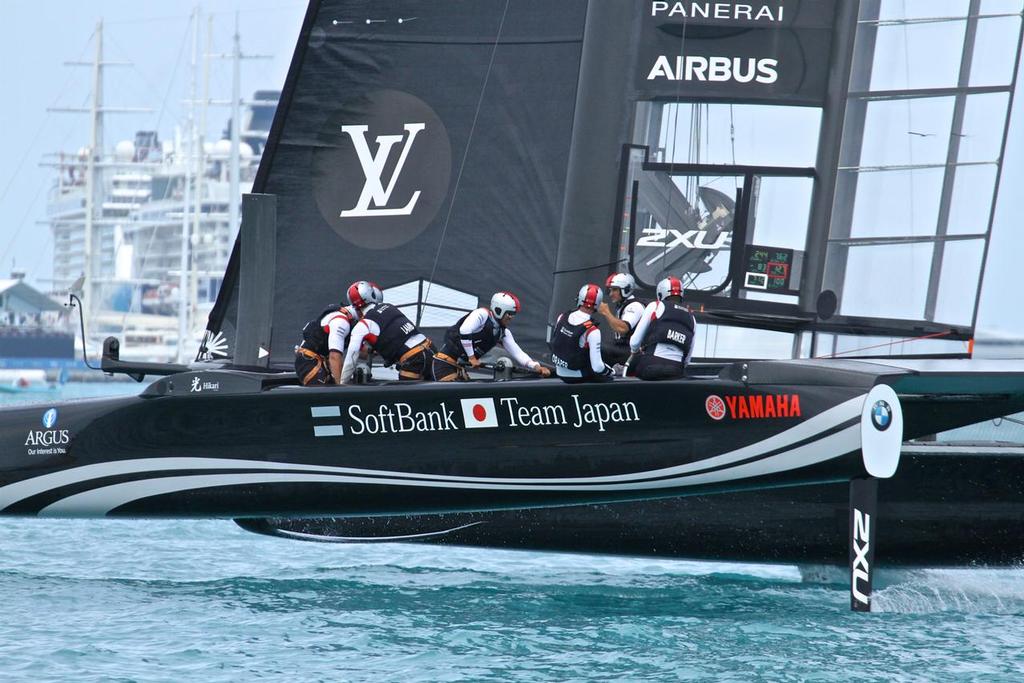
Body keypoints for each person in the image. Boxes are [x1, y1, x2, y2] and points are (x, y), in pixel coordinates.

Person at [432, 291, 552, 381]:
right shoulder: (482, 315)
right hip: (443, 364)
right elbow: (465, 330)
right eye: (509, 313)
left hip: (459, 368)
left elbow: (518, 353)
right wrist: (472, 358)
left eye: (513, 314)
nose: (511, 317)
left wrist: (536, 367)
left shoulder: (503, 333)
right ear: (499, 309)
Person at [339, 280, 434, 383]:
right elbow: (396, 336)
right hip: (430, 349)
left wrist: (341, 386)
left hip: (413, 359)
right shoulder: (390, 307)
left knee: (409, 398)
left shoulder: (362, 326)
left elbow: (351, 361)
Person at [628, 275, 695, 381]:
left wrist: (635, 352)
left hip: (650, 365)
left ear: (660, 294)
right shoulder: (692, 317)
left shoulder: (656, 305)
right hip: (676, 371)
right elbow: (687, 359)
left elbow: (634, 342)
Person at [550, 283, 614, 384]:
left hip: (559, 371)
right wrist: (610, 371)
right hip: (577, 376)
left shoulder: (562, 317)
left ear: (579, 298)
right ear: (598, 304)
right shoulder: (593, 331)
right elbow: (597, 367)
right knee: (607, 374)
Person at [294, 302, 356, 385]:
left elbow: (362, 351)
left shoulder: (350, 320)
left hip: (322, 362)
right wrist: (341, 389)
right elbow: (334, 357)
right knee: (325, 395)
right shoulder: (341, 321)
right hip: (310, 361)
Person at [597, 272, 646, 367]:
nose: (611, 294)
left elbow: (623, 329)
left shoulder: (635, 306)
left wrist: (606, 312)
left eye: (614, 290)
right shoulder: (623, 305)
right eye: (610, 290)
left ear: (626, 289)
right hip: (625, 349)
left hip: (632, 352)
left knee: (597, 348)